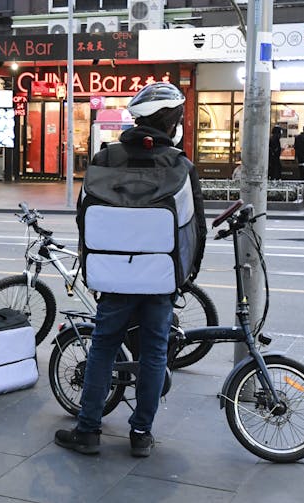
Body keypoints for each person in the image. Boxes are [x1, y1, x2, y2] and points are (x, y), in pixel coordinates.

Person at [54, 82, 206, 458]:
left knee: (103, 347)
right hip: (161, 277)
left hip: (114, 277)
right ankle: (140, 433)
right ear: (172, 123)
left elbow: (83, 219)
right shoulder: (180, 166)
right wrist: (184, 277)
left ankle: (88, 431)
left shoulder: (106, 160)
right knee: (155, 352)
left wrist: (98, 267)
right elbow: (195, 228)